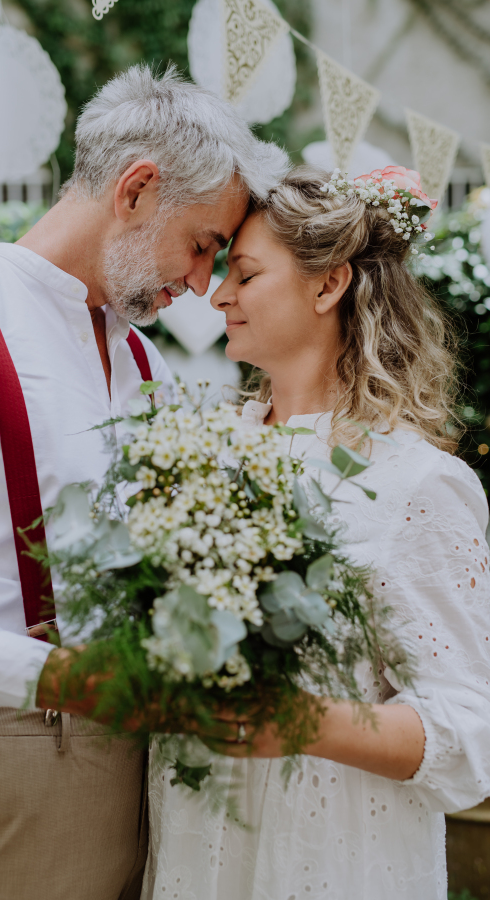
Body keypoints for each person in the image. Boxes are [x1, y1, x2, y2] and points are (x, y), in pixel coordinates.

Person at [0, 65, 288, 900]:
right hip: (8, 755)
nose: (199, 281)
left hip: (147, 759)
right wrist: (49, 679)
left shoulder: (139, 353)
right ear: (137, 189)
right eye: (204, 243)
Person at [141, 166, 490, 900]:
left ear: (327, 287)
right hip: (196, 835)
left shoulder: (418, 486)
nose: (219, 294)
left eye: (246, 273)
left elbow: (467, 739)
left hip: (334, 857)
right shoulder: (204, 455)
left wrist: (302, 722)